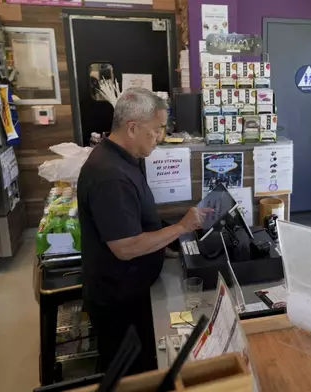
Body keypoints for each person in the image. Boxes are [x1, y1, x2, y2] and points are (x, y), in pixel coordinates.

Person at [78, 88, 210, 374]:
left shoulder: (122, 158)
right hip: (118, 300)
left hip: (131, 290)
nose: (159, 137)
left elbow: (137, 219)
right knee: (130, 373)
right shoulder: (110, 176)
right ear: (132, 127)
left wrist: (169, 244)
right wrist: (180, 227)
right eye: (156, 130)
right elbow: (125, 247)